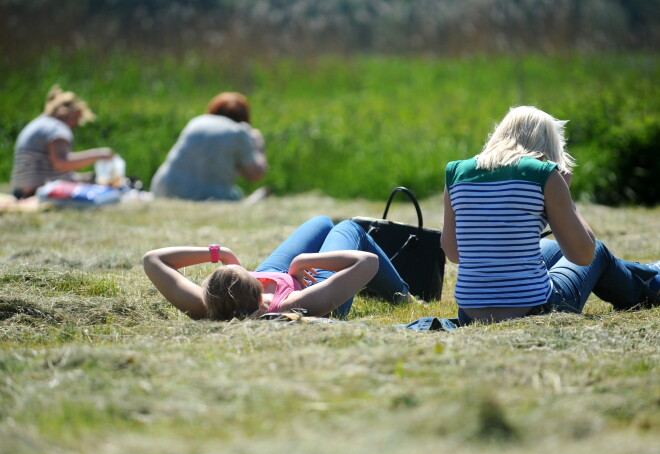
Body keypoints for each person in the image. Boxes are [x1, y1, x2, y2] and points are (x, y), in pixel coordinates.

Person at [441, 106, 660, 325]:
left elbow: (453, 253)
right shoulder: (543, 173)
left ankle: (645, 272)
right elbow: (584, 255)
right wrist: (565, 196)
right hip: (537, 308)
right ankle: (647, 291)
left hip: (470, 314)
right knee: (599, 251)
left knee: (550, 248)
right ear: (549, 145)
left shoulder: (456, 172)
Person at [143, 216, 413, 320]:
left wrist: (220, 253)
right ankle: (402, 295)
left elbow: (153, 260)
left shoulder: (206, 305)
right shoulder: (292, 305)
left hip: (275, 273)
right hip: (308, 281)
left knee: (321, 222)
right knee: (349, 228)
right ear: (257, 293)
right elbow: (367, 263)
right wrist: (303, 262)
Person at [150, 92, 268, 201]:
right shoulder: (239, 132)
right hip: (206, 197)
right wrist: (258, 145)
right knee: (235, 194)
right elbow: (255, 175)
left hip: (163, 190)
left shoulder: (197, 122)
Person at [11, 84, 115, 199]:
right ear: (71, 114)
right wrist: (100, 154)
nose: (75, 125)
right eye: (77, 119)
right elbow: (61, 163)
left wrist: (81, 178)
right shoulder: (57, 128)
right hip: (37, 191)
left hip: (21, 190)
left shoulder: (41, 123)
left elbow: (50, 167)